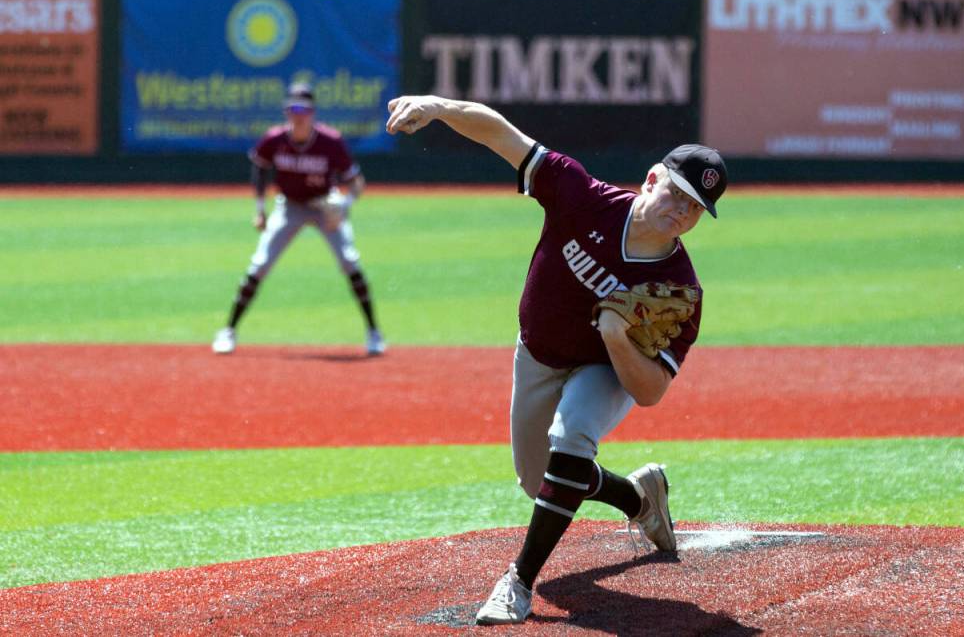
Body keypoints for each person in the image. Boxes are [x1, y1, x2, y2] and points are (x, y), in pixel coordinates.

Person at [385, 95, 728, 625]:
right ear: (654, 177)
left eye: (695, 210)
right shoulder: (580, 194)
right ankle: (638, 497)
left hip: (607, 370)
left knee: (571, 441)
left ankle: (517, 581)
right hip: (538, 356)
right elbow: (502, 135)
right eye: (678, 194)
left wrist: (616, 337)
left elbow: (651, 391)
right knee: (538, 478)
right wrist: (438, 107)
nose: (682, 213)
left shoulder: (680, 288)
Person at [212, 83, 385, 356]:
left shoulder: (331, 142)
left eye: (304, 109)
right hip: (290, 207)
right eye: (293, 109)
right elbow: (260, 169)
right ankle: (228, 330)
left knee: (350, 261)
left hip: (323, 207)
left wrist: (343, 206)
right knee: (260, 264)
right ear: (285, 111)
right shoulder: (274, 139)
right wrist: (259, 209)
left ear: (313, 112)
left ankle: (374, 332)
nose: (298, 115)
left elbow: (357, 183)